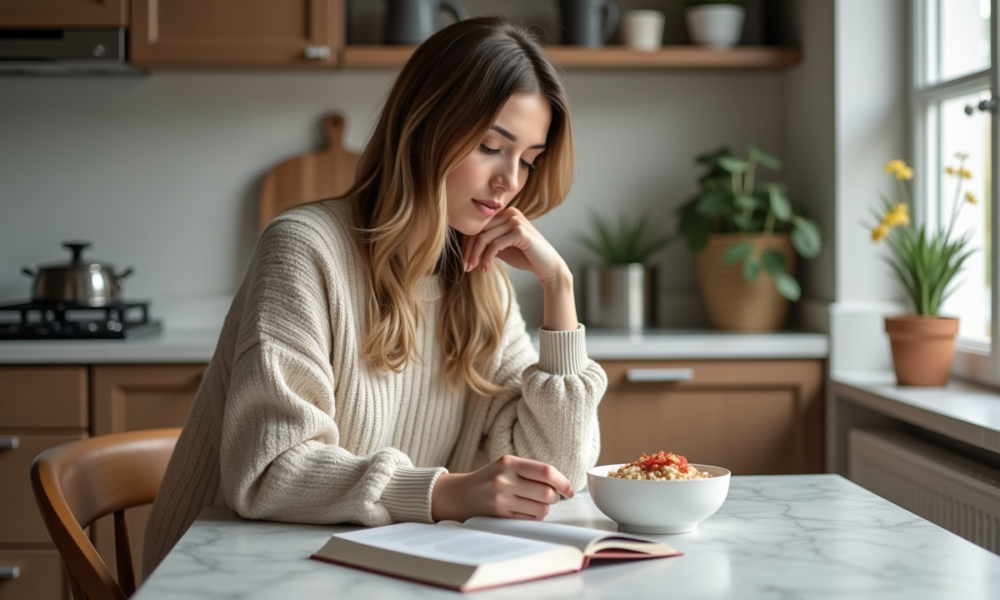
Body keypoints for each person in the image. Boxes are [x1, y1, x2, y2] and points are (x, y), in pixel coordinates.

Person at [142, 16, 608, 577]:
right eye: (491, 146)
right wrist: (444, 493)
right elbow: (270, 471)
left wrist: (559, 289)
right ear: (424, 127)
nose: (511, 180)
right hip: (229, 574)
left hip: (374, 570)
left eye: (529, 160)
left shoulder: (482, 282)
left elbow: (558, 471)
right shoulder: (304, 249)